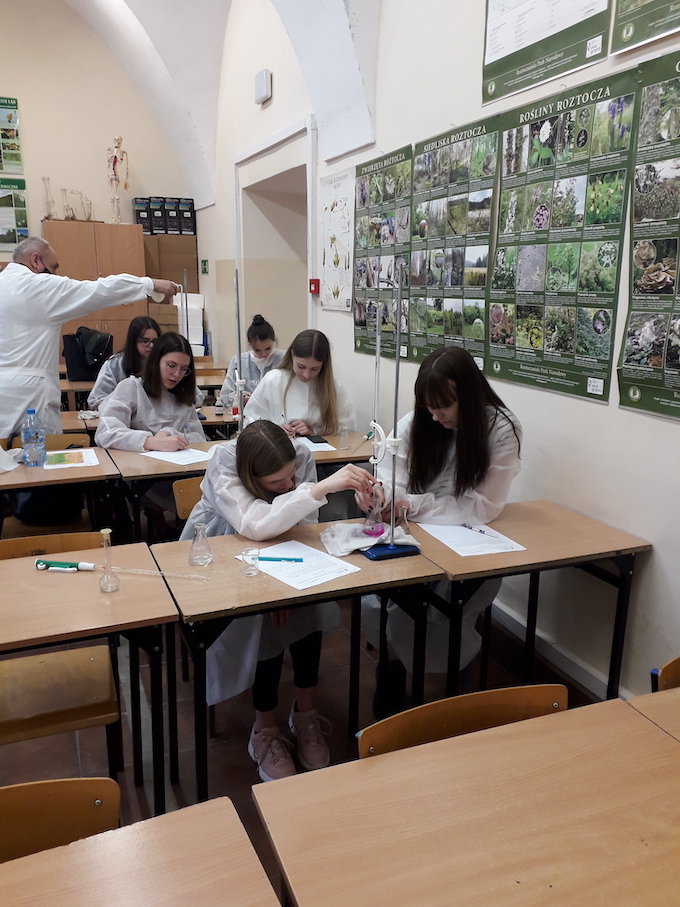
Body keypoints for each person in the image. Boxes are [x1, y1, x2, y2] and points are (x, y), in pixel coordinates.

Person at [180, 419, 377, 782]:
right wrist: (321, 488)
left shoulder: (300, 454)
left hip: (287, 545)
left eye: (291, 476)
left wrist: (286, 587)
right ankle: (264, 728)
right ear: (251, 475)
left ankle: (305, 712)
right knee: (262, 618)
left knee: (310, 606)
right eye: (276, 483)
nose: (287, 485)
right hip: (224, 549)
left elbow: (303, 520)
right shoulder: (224, 461)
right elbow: (253, 524)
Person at [362, 346, 522, 715]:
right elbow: (391, 477)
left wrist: (411, 504)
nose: (436, 416)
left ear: (469, 395)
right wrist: (379, 495)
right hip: (414, 534)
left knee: (451, 614)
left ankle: (456, 686)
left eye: (444, 406)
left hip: (466, 542)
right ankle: (392, 674)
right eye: (429, 407)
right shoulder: (417, 422)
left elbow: (481, 507)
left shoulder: (500, 429)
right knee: (392, 606)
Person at [0, 236, 177, 438]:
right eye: (53, 267)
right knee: (39, 454)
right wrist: (149, 284)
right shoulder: (38, 287)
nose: (55, 274)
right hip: (29, 396)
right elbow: (98, 291)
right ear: (35, 260)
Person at [95, 332, 205, 450]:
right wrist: (152, 442)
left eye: (184, 369)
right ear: (156, 361)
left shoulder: (183, 394)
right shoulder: (132, 387)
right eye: (171, 365)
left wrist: (170, 432)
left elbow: (199, 438)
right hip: (135, 460)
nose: (177, 374)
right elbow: (105, 433)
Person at [243, 329, 355, 436]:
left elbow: (347, 429)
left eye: (314, 369)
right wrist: (273, 431)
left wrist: (314, 432)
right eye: (301, 366)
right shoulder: (273, 380)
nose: (306, 375)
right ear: (292, 356)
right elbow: (250, 420)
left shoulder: (333, 385)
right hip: (276, 447)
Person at [87, 316, 161, 410]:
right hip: (121, 414)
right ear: (133, 341)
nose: (151, 345)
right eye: (145, 341)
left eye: (155, 341)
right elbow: (96, 400)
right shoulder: (115, 363)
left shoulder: (162, 363)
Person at [218, 314, 284, 409]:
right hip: (247, 412)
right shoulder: (239, 362)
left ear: (274, 341)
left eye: (268, 348)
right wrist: (241, 397)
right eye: (258, 350)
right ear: (250, 345)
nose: (264, 354)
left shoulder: (283, 360)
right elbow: (226, 395)